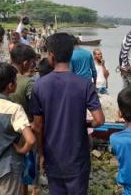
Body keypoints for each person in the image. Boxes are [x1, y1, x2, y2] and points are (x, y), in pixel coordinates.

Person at [31, 33, 104, 195]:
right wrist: (85, 123)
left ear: (51, 55)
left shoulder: (39, 85)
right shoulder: (85, 84)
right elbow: (99, 120)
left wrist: (41, 154)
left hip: (53, 156)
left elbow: (37, 126)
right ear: (71, 54)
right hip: (78, 158)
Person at [0, 62, 36, 195]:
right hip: (10, 166)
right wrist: (22, 150)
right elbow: (31, 140)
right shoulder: (14, 109)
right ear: (11, 86)